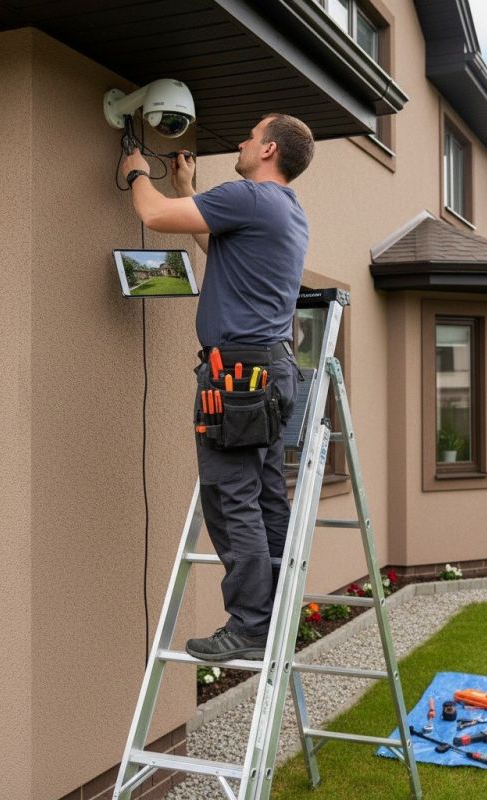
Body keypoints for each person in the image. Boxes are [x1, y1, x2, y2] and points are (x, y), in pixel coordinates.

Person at [121, 113, 315, 660]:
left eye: (249, 135)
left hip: (238, 374)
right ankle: (274, 612)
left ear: (269, 149)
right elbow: (218, 248)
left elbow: (154, 216)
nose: (240, 140)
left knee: (231, 500)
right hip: (269, 369)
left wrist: (138, 172)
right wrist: (187, 188)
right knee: (265, 496)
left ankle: (250, 625)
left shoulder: (250, 197)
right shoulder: (287, 210)